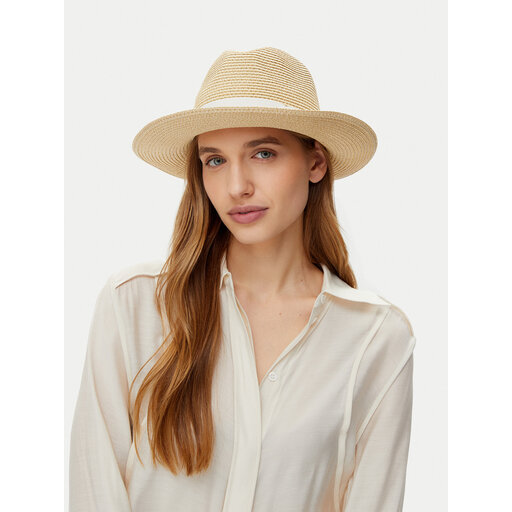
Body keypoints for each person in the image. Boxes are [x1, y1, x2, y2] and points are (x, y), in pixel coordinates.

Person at [69, 47, 416, 512]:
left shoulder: (374, 337)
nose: (237, 187)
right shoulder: (134, 306)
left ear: (316, 162)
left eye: (263, 153)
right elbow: (94, 492)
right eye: (215, 160)